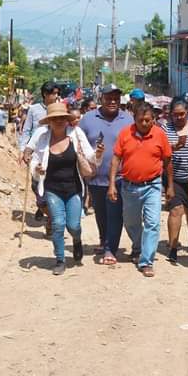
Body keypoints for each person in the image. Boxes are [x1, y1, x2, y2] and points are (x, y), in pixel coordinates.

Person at [28, 102, 98, 275]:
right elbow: (35, 159)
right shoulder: (43, 138)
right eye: (55, 118)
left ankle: (76, 240)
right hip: (52, 188)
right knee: (58, 224)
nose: (59, 121)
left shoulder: (75, 134)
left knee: (73, 225)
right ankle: (60, 259)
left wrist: (99, 154)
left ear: (67, 120)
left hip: (73, 188)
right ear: (49, 121)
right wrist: (37, 168)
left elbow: (90, 154)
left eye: (62, 118)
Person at [108, 103, 172, 277]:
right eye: (140, 120)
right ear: (134, 119)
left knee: (153, 223)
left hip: (153, 185)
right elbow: (115, 159)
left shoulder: (160, 135)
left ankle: (146, 261)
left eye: (148, 120)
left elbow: (167, 161)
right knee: (131, 222)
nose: (144, 123)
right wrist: (112, 184)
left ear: (154, 119)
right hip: (129, 186)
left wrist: (170, 186)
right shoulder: (125, 134)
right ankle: (138, 247)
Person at [78, 84, 133, 264]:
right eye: (108, 98)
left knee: (115, 214)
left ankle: (110, 249)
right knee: (101, 214)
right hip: (95, 177)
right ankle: (104, 240)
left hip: (119, 178)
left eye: (116, 98)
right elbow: (79, 144)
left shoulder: (128, 119)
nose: (112, 101)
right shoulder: (87, 119)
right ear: (101, 98)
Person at [160, 99, 188, 262]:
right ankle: (172, 247)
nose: (178, 118)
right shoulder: (165, 129)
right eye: (175, 114)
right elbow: (160, 151)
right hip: (173, 178)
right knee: (176, 210)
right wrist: (175, 147)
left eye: (182, 114)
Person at [19, 81, 60, 222]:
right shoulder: (34, 109)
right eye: (53, 93)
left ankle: (51, 217)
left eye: (57, 93)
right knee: (36, 184)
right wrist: (23, 150)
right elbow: (27, 130)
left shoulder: (60, 108)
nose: (56, 96)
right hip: (37, 153)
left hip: (56, 152)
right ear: (45, 94)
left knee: (53, 184)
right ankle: (42, 205)